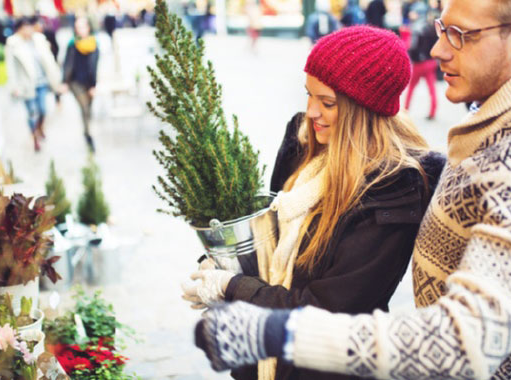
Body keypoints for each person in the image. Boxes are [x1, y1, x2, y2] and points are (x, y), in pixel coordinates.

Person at [194, 1, 511, 379]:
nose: (437, 49)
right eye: (442, 29)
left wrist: (274, 329)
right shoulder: (499, 125)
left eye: (460, 35)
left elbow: (463, 343)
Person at [182, 26, 446, 380]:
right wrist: (225, 265)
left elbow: (327, 309)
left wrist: (232, 287)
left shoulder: (394, 188)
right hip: (263, 360)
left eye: (328, 103)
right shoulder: (303, 141)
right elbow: (270, 243)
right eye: (309, 95)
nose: (311, 112)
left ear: (362, 110)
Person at [5, 17, 62, 152]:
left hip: (41, 82)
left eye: (29, 27)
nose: (28, 30)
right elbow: (10, 68)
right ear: (19, 29)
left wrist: (56, 79)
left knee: (43, 110)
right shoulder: (13, 44)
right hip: (26, 84)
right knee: (32, 113)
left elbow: (49, 60)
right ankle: (35, 137)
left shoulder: (39, 40)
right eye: (25, 27)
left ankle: (40, 128)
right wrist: (14, 87)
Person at [62, 16, 100, 152]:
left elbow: (94, 66)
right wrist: (64, 82)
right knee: (84, 107)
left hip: (89, 83)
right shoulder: (72, 44)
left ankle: (88, 130)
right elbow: (67, 64)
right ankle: (88, 136)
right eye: (78, 27)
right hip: (75, 82)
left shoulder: (94, 44)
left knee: (89, 109)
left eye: (83, 27)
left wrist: (93, 85)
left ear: (88, 28)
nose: (80, 30)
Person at [404, 11, 439, 119]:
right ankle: (433, 111)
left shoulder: (417, 28)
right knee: (432, 89)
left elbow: (412, 46)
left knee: (411, 88)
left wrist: (412, 58)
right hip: (430, 62)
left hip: (419, 64)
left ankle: (405, 109)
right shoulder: (436, 31)